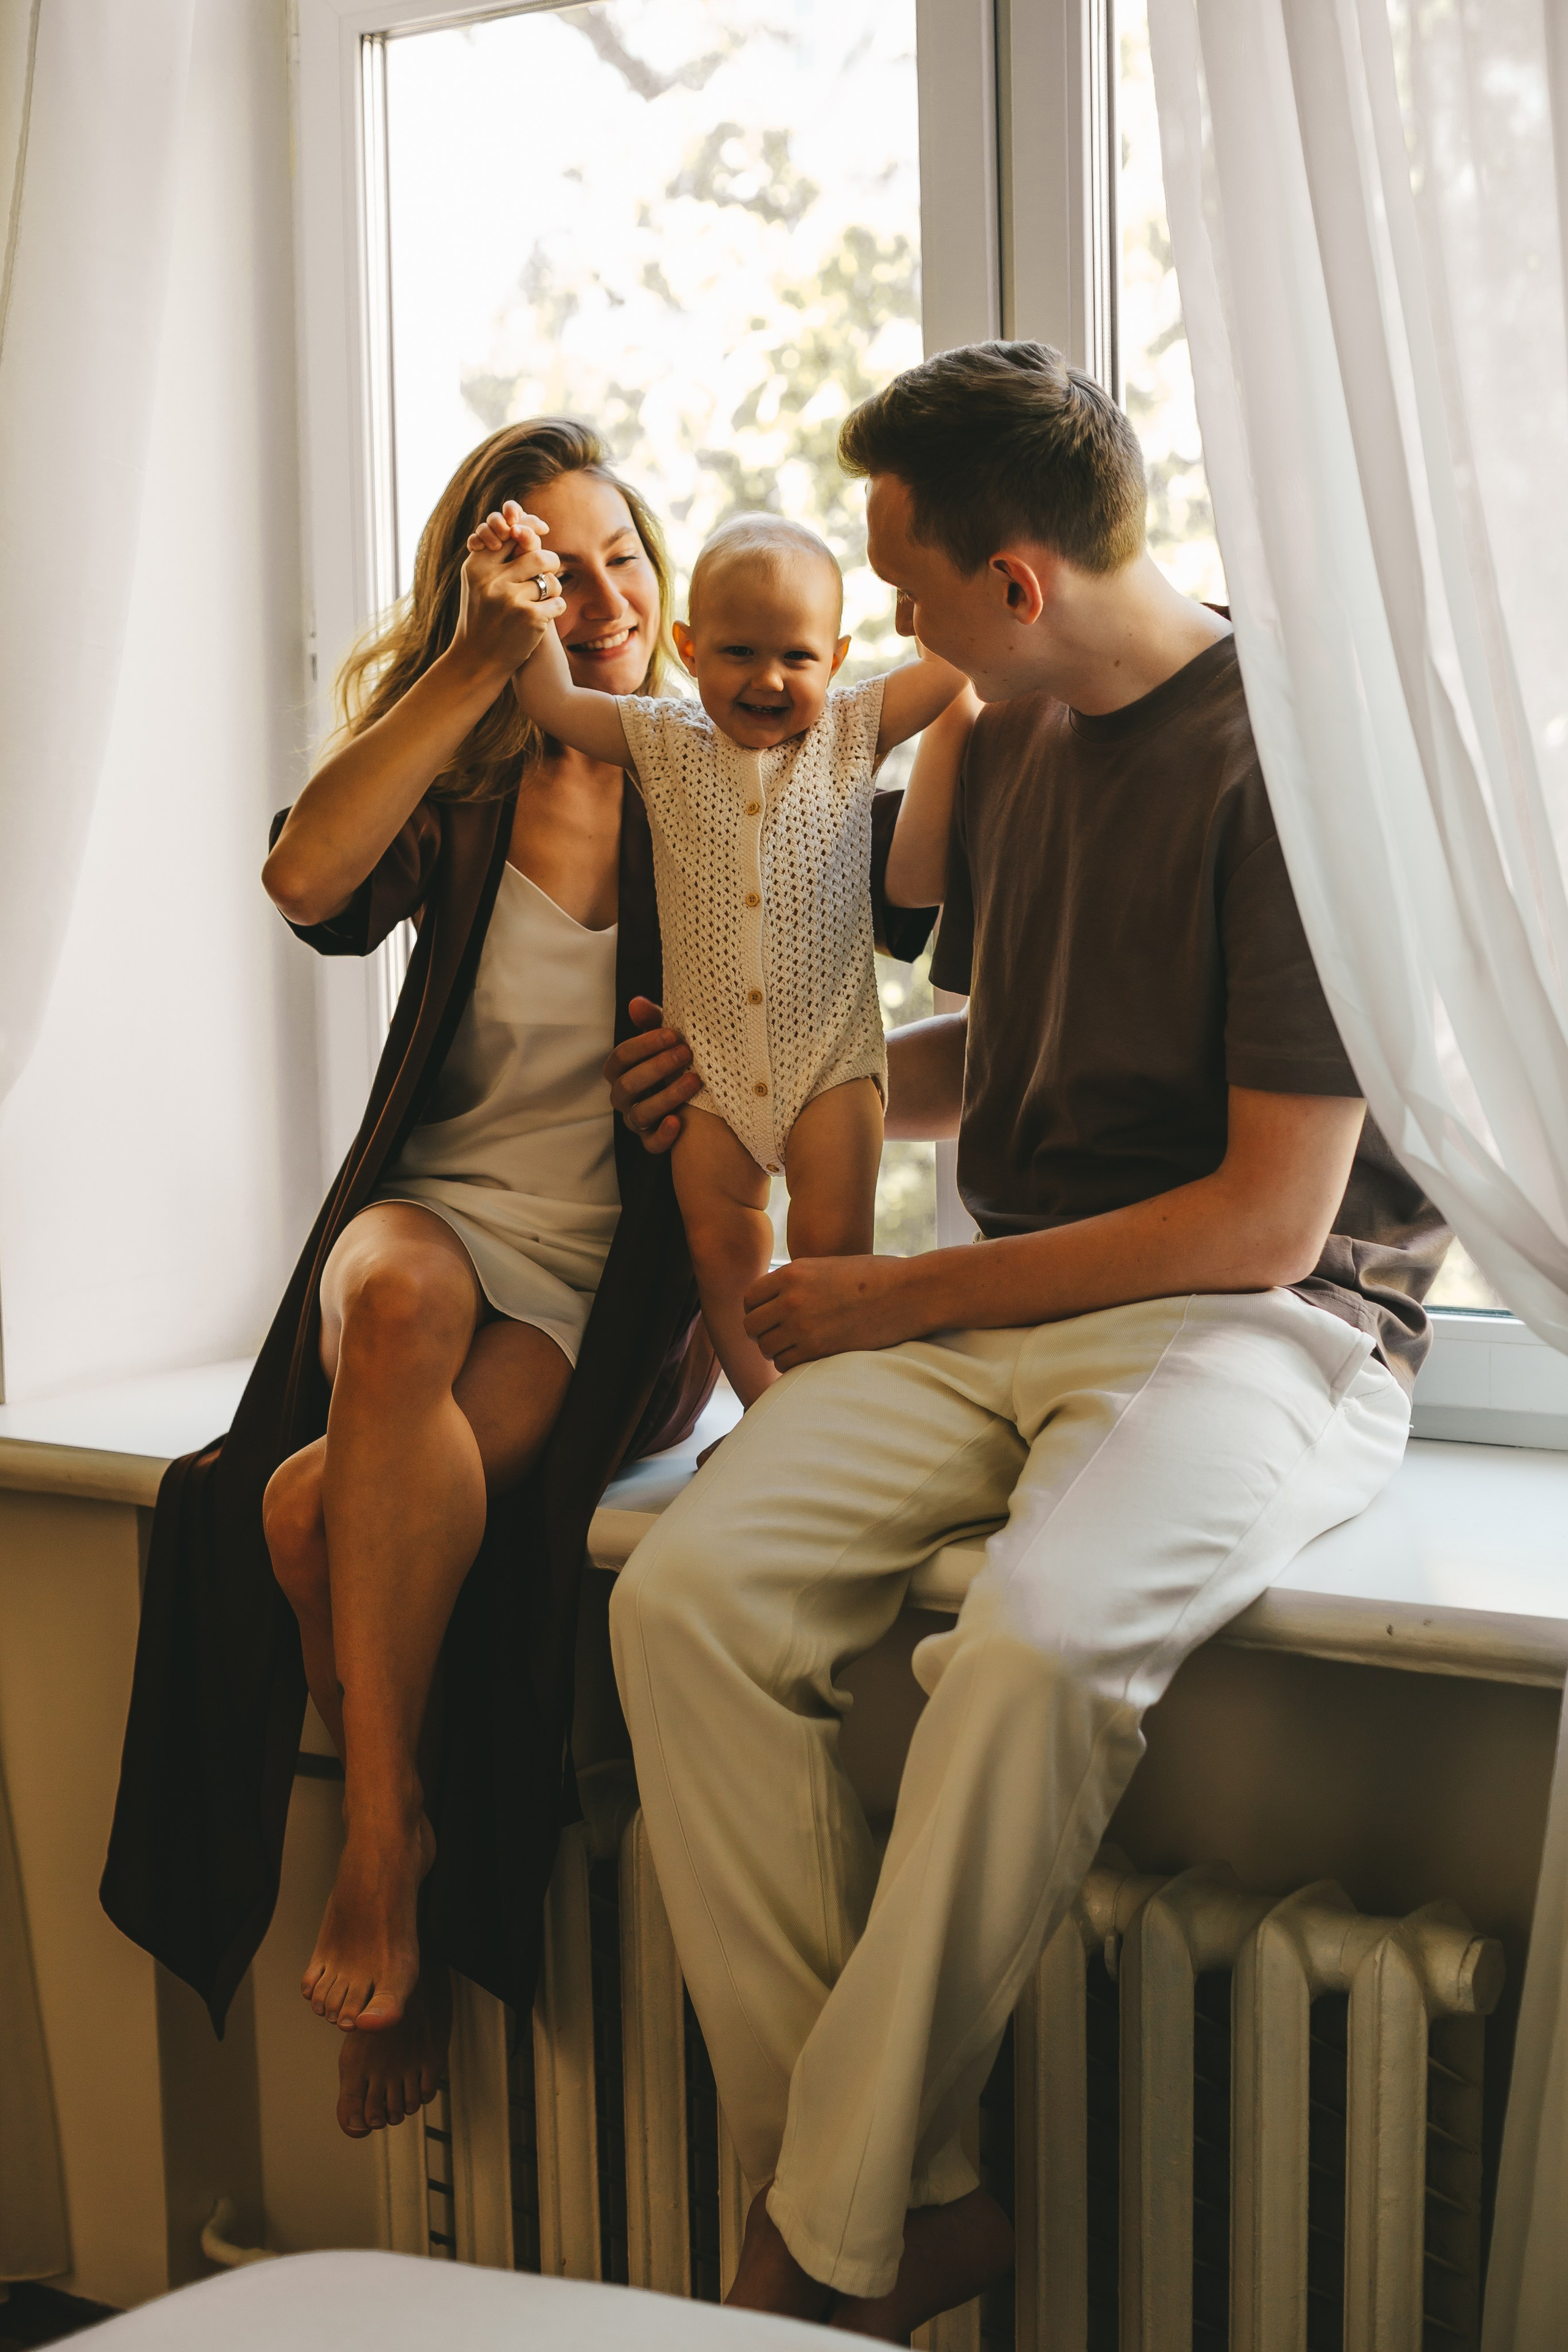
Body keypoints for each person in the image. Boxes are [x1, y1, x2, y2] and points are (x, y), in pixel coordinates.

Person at [604, 343, 1451, 2339]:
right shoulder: (1019, 742)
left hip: (1264, 1327)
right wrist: (755, 1076)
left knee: (1042, 1652)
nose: (882, 630)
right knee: (685, 1597)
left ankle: (814, 2252)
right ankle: (924, 2199)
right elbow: (1011, 1056)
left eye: (902, 583)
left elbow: (1267, 1217)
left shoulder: (1291, 767)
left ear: (1015, 585)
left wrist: (890, 1293)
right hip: (1024, 1306)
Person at [97, 416, 937, 2141]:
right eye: (556, 564)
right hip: (432, 1221)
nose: (605, 591)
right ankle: (390, 1847)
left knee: (319, 1509)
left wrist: (710, 1069)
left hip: (597, 1278)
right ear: (498, 588)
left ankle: (378, 1825)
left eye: (622, 552)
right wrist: (481, 668)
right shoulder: (476, 765)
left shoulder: (720, 761)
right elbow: (306, 878)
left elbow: (852, 950)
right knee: (390, 1303)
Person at [508, 510, 965, 1404]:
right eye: (738, 653)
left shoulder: (852, 727)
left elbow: (950, 672)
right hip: (705, 1074)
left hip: (830, 1064)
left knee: (834, 1255)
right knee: (720, 1250)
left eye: (796, 657)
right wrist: (529, 602)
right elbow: (553, 703)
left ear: (835, 659)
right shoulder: (661, 738)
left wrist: (920, 601)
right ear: (687, 647)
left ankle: (832, 1412)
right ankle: (766, 1414)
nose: (768, 678)